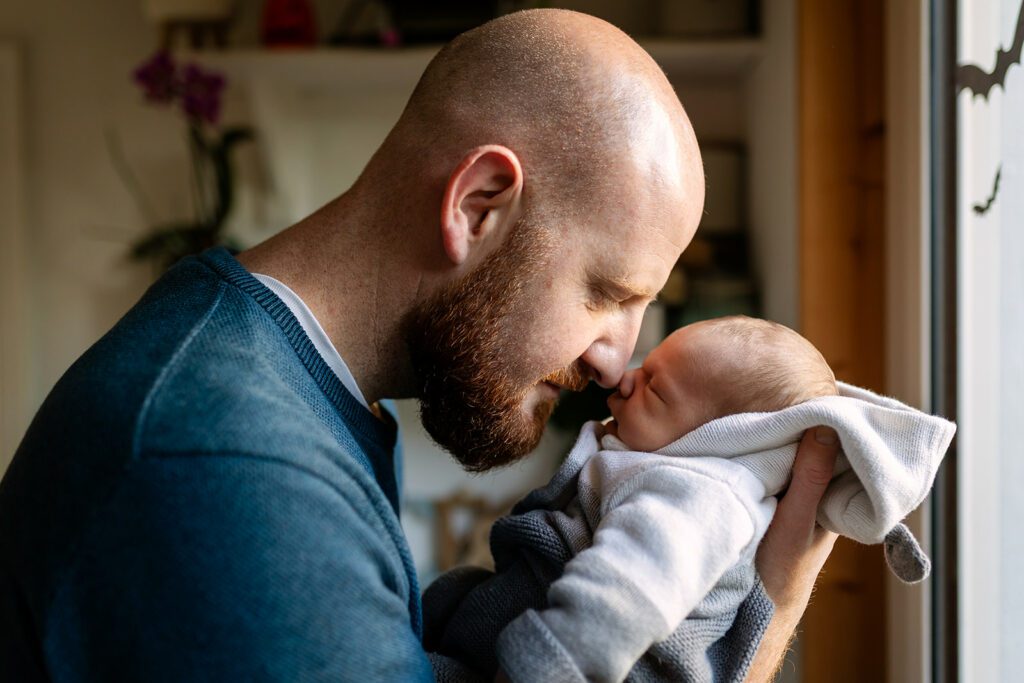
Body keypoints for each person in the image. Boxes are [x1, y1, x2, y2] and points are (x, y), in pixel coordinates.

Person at [0, 10, 841, 681]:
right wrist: (761, 605)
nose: (614, 362)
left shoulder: (308, 389)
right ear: (478, 205)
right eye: (607, 293)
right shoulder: (227, 465)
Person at [424, 316, 955, 682]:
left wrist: (542, 667)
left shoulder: (700, 495)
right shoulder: (670, 472)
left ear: (723, 434)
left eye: (654, 387)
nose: (625, 378)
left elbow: (624, 594)